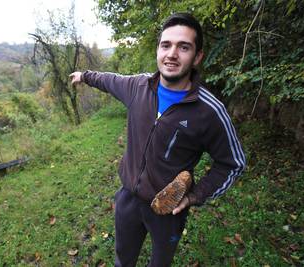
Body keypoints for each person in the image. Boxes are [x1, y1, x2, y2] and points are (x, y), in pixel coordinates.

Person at [69, 12, 246, 267]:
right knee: (123, 260)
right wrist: (84, 75)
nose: (172, 53)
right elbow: (108, 80)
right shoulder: (137, 87)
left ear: (197, 57)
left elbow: (233, 163)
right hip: (128, 200)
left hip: (168, 211)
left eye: (183, 47)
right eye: (166, 45)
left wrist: (195, 196)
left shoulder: (209, 111)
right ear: (158, 50)